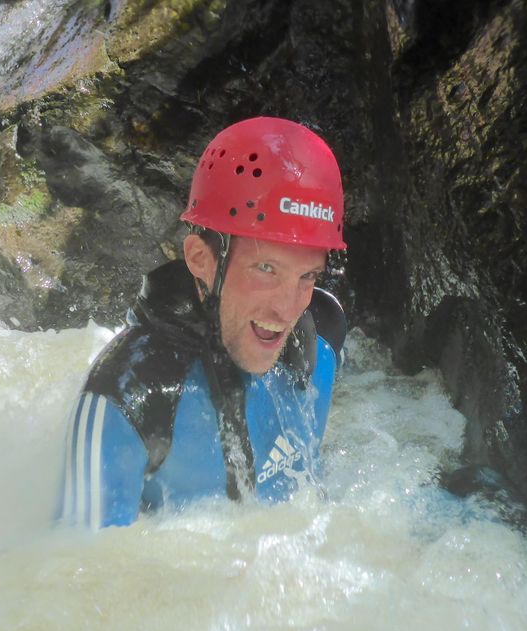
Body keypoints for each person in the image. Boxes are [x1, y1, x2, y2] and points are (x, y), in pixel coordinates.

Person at [57, 117, 348, 527]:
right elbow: (71, 573)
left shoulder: (323, 338)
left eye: (307, 276)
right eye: (265, 268)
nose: (287, 310)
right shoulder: (129, 395)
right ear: (200, 259)